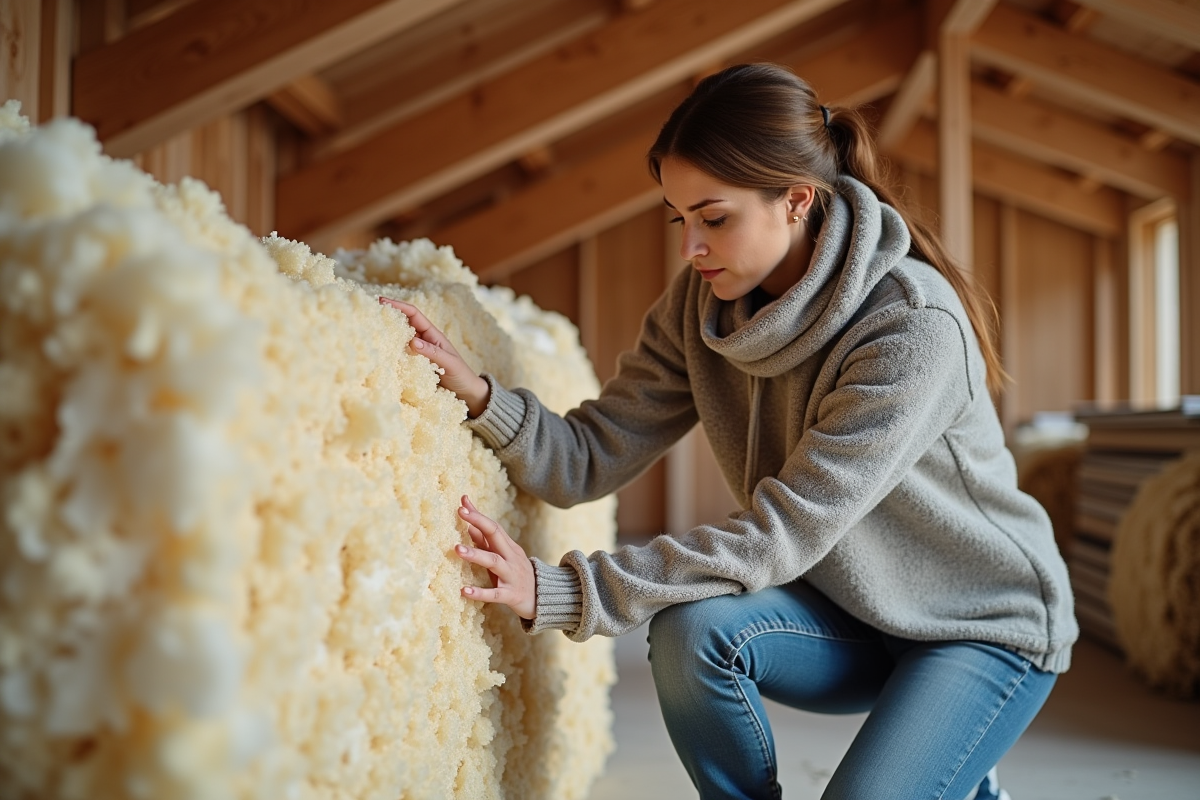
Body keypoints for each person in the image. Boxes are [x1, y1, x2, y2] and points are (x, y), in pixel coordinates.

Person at [380, 63, 1077, 800]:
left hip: (977, 624)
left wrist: (569, 589)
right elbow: (584, 459)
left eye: (714, 218)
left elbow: (780, 535)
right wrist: (482, 398)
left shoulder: (910, 325)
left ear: (797, 202)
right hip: (855, 615)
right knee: (691, 632)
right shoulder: (701, 307)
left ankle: (962, 772)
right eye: (679, 219)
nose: (691, 248)